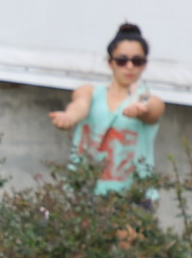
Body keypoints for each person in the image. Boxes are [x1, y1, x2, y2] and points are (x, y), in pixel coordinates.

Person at [48, 22, 165, 196]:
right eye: (122, 60)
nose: (129, 66)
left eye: (137, 61)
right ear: (110, 62)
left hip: (133, 196)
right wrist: (69, 117)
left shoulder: (147, 98)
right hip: (86, 191)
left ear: (145, 64)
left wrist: (142, 109)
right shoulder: (89, 91)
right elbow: (80, 105)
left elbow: (153, 109)